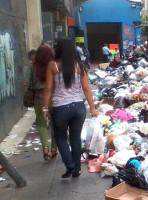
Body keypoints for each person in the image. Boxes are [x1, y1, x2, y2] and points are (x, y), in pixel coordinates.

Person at [43, 39, 98, 178]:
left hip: (60, 108)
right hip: (79, 108)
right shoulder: (79, 65)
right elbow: (86, 88)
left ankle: (70, 165)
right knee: (75, 138)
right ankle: (77, 169)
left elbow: (48, 88)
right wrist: (92, 108)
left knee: (60, 137)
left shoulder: (53, 65)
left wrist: (45, 108)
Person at [32, 45, 57, 160]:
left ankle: (46, 149)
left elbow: (30, 84)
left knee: (41, 124)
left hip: (39, 98)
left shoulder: (33, 67)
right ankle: (54, 149)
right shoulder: (54, 65)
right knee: (55, 124)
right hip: (53, 97)